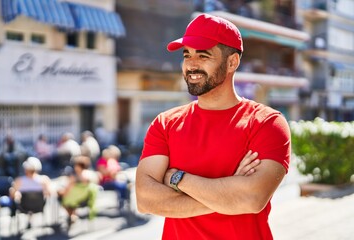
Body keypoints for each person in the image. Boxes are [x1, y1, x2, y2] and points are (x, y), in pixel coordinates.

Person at [135, 13, 291, 240]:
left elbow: (251, 199)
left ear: (232, 62)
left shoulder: (266, 123)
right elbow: (145, 200)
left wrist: (177, 179)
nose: (191, 64)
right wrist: (229, 196)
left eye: (203, 55)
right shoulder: (165, 124)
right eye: (186, 54)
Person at [9, 157, 52, 228]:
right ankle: (30, 219)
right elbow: (50, 193)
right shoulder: (44, 180)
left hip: (23, 207)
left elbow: (12, 195)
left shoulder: (19, 181)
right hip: (39, 206)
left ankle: (29, 220)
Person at [57, 155, 99, 227]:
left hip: (74, 200)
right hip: (86, 199)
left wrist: (60, 192)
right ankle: (73, 215)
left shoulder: (75, 178)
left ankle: (72, 215)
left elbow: (66, 190)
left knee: (62, 200)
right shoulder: (91, 175)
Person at [96, 145, 129, 209]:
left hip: (113, 180)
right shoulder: (102, 161)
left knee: (125, 185)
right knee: (120, 185)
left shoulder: (111, 161)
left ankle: (125, 201)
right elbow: (104, 173)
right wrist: (112, 172)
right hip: (105, 182)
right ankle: (122, 201)